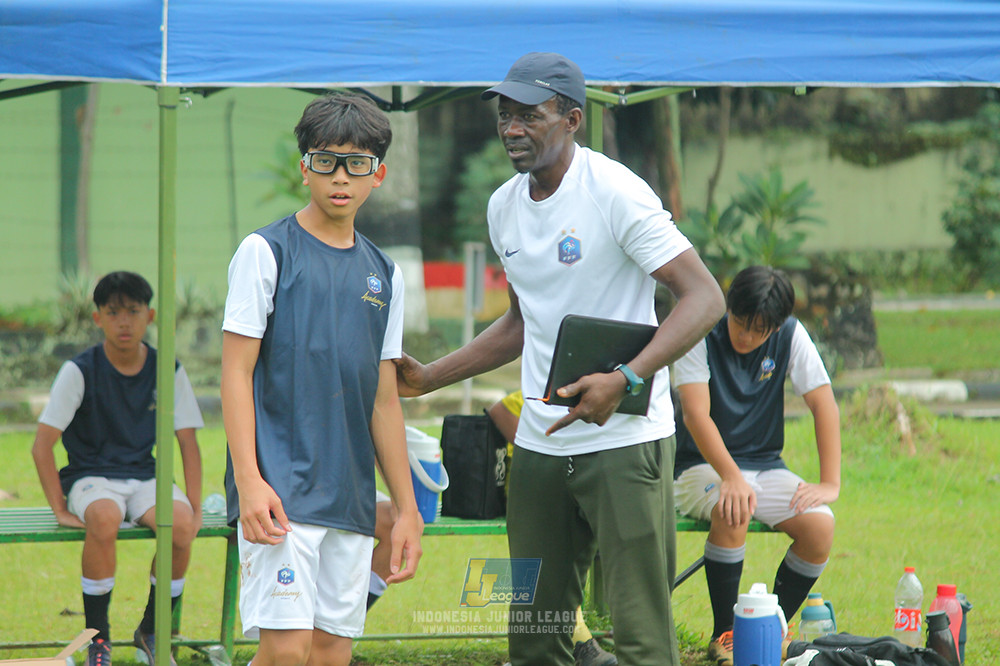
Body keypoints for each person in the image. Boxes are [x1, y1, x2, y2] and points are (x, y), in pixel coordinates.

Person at [395, 52, 725, 666]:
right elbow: (525, 321)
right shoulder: (503, 207)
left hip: (624, 442)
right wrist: (429, 376)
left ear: (572, 119)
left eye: (530, 116)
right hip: (541, 449)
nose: (511, 129)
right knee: (535, 633)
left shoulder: (615, 193)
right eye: (505, 115)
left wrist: (625, 377)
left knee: (639, 634)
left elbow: (704, 298)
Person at [220, 92, 422, 666]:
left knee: (331, 654)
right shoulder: (265, 251)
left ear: (378, 174)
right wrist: (249, 480)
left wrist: (406, 509)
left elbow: (384, 399)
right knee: (286, 653)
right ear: (303, 166)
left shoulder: (385, 273)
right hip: (278, 490)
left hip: (351, 496)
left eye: (357, 164)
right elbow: (235, 373)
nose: (341, 177)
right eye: (326, 161)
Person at [31, 271, 204, 666]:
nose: (124, 322)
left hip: (145, 476)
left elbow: (188, 443)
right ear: (98, 319)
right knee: (105, 518)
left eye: (133, 311)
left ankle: (152, 631)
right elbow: (42, 446)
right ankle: (98, 640)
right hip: (90, 477)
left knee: (179, 526)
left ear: (150, 315)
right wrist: (59, 509)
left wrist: (194, 506)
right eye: (113, 313)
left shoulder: (167, 369)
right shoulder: (79, 370)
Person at [671, 265, 841, 666]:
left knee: (821, 525)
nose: (746, 336)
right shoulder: (699, 333)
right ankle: (725, 634)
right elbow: (696, 415)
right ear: (728, 308)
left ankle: (767, 626)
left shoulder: (790, 335)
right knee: (735, 506)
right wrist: (730, 476)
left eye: (759, 330)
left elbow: (823, 403)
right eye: (740, 323)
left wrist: (829, 482)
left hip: (766, 465)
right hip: (700, 466)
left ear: (776, 326)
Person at [487, 391, 617, 666]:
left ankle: (577, 641)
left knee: (563, 571)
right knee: (548, 575)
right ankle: (579, 641)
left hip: (586, 477)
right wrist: (536, 442)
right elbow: (497, 409)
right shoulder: (538, 391)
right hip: (536, 485)